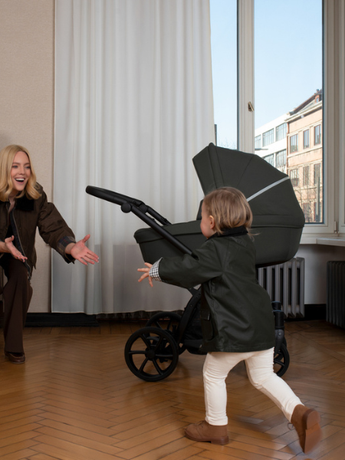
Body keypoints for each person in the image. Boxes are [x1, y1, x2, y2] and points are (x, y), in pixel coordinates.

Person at [137, 187, 321, 454]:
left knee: (213, 374)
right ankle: (299, 412)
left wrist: (157, 269)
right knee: (263, 376)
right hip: (259, 322)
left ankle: (215, 426)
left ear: (212, 222)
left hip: (234, 328)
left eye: (202, 217)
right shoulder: (245, 243)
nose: (200, 222)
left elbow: (190, 267)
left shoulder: (215, 249)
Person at [0, 144, 98, 364]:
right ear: (4, 168)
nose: (22, 172)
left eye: (27, 166)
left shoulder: (35, 194)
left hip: (16, 248)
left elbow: (52, 225)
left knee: (20, 278)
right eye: (15, 166)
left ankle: (13, 345)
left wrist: (69, 246)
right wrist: (0, 245)